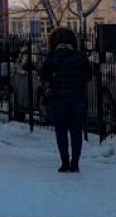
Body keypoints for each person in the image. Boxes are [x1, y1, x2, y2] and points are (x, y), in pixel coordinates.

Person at [39, 27, 92, 173]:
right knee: (76, 131)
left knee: (61, 131)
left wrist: (55, 79)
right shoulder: (80, 56)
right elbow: (88, 75)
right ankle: (75, 162)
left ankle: (64, 161)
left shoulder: (52, 56)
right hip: (78, 98)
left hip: (58, 98)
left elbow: (43, 75)